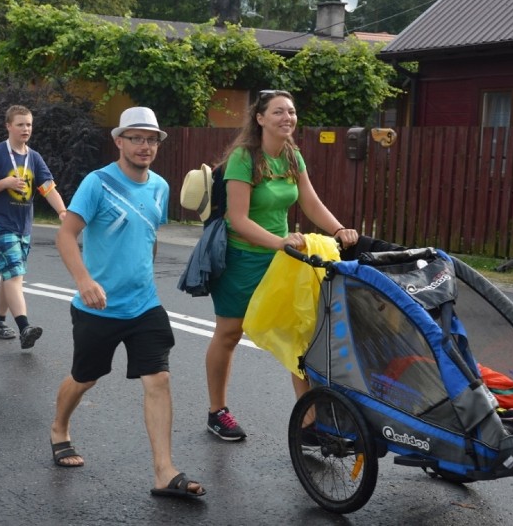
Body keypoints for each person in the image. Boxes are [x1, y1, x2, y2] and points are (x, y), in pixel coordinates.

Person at [50, 107, 206, 499]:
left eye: (151, 139)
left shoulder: (159, 187)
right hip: (97, 307)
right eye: (136, 138)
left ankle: (164, 472)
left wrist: (144, 278)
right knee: (85, 378)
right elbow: (66, 235)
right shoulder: (97, 183)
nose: (144, 146)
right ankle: (59, 429)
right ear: (119, 140)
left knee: (159, 379)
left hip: (144, 305)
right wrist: (84, 281)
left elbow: (149, 236)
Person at [204, 90, 359, 441]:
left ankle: (309, 421)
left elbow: (310, 202)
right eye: (278, 112)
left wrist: (338, 229)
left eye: (291, 111)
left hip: (282, 257)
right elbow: (237, 218)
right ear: (260, 119)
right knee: (229, 333)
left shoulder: (292, 155)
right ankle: (217, 411)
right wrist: (280, 241)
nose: (287, 117)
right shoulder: (244, 157)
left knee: (301, 335)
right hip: (242, 258)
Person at [0, 105, 67, 350]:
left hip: (23, 226)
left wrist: (62, 211)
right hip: (0, 223)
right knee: (15, 274)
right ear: (8, 126)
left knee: (9, 275)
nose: (26, 129)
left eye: (29, 125)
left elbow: (47, 187)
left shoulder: (34, 157)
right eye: (20, 124)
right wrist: (4, 182)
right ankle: (25, 326)